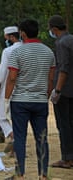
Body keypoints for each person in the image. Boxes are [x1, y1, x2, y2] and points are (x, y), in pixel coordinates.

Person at [5, 19, 55, 179]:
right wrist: (44, 96)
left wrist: (6, 99)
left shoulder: (17, 52)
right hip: (40, 101)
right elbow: (50, 79)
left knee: (20, 137)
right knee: (42, 138)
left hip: (20, 100)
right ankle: (43, 175)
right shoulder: (48, 52)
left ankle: (20, 174)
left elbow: (12, 78)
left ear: (22, 33)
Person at [48, 15, 73, 169]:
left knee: (63, 125)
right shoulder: (71, 39)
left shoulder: (61, 43)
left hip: (64, 90)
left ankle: (67, 158)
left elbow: (63, 68)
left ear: (54, 29)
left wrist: (57, 90)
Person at [0, 26, 22, 155]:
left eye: (6, 38)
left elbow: (2, 71)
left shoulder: (8, 51)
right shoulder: (25, 48)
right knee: (17, 117)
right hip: (23, 87)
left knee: (0, 114)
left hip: (8, 86)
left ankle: (13, 137)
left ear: (11, 37)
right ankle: (16, 144)